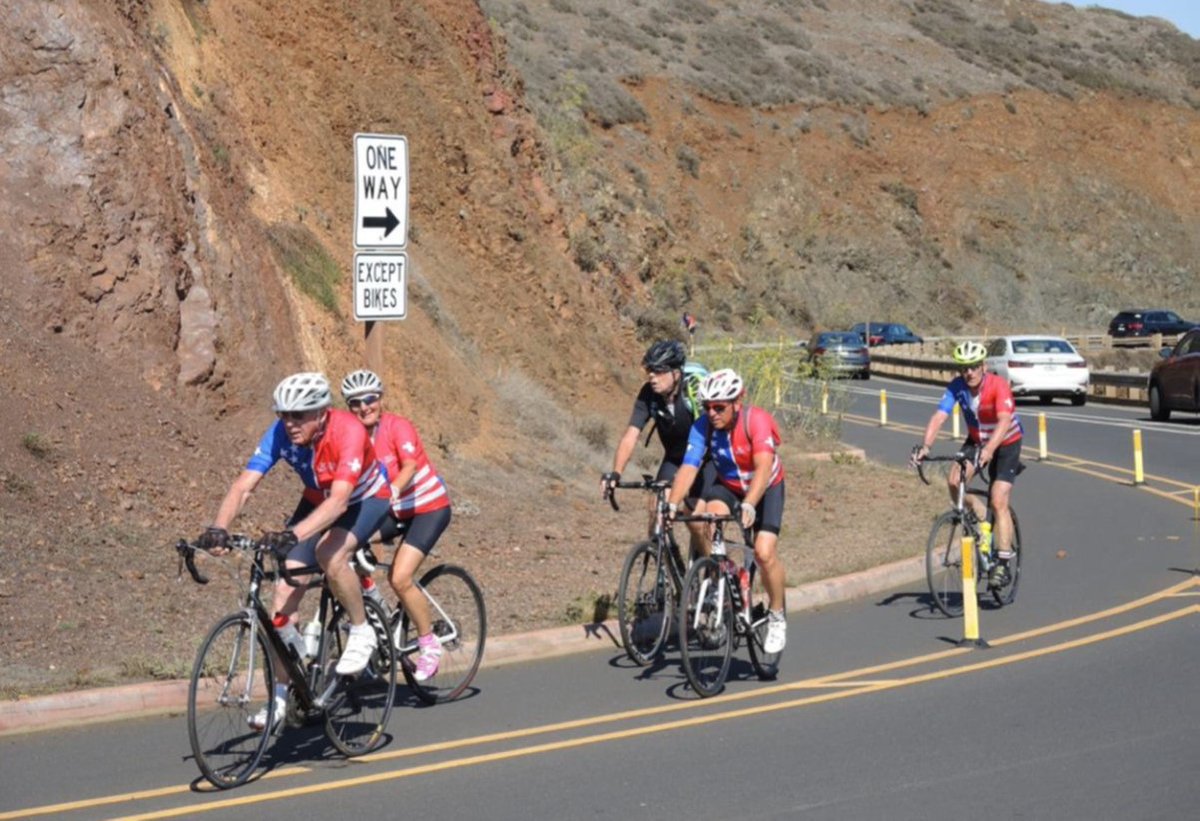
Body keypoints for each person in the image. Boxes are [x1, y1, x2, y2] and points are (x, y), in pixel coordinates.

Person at [198, 372, 391, 731]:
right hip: (317, 498)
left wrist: (292, 533)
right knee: (283, 594)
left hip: (365, 498)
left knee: (331, 555)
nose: (290, 423)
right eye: (284, 414)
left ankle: (362, 629)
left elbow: (339, 503)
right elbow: (244, 486)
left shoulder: (347, 430)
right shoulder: (280, 433)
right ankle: (280, 701)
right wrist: (218, 527)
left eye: (299, 415)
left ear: (322, 413)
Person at [666, 368, 789, 654]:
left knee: (764, 552)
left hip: (766, 487)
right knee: (707, 516)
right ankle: (723, 570)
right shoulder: (702, 426)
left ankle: (777, 614)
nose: (712, 413)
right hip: (730, 485)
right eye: (707, 407)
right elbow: (689, 467)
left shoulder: (755, 421)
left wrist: (749, 503)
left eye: (719, 407)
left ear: (737, 402)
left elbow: (762, 468)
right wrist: (672, 503)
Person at [341, 369, 452, 682]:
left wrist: (389, 491)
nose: (364, 407)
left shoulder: (397, 426)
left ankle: (429, 645)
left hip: (428, 507)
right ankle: (375, 621)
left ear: (380, 399)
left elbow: (410, 466)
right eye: (355, 402)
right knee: (347, 552)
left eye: (370, 399)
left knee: (400, 576)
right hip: (393, 510)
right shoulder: (355, 437)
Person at [910, 340, 1023, 586]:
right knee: (954, 482)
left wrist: (991, 449)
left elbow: (1004, 421)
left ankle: (1003, 563)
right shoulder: (957, 386)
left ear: (983, 366)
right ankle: (982, 519)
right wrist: (925, 447)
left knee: (998, 498)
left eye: (973, 366)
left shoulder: (998, 385)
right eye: (964, 368)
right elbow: (940, 416)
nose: (969, 372)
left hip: (1006, 442)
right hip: (976, 440)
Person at [601, 339, 712, 548]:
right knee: (656, 512)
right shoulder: (649, 395)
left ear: (676, 373)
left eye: (659, 371)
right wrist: (616, 473)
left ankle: (712, 572)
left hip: (705, 458)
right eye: (650, 370)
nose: (652, 376)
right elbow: (631, 434)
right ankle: (667, 563)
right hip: (674, 456)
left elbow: (707, 432)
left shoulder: (694, 389)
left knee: (695, 521)